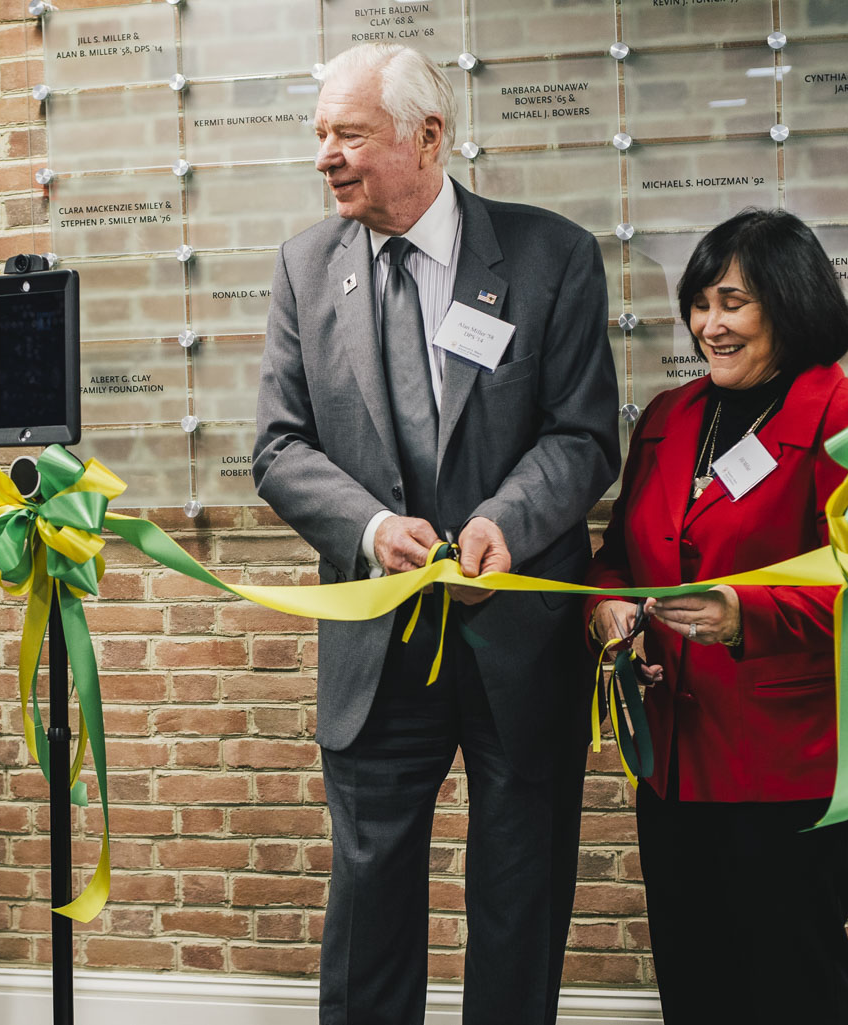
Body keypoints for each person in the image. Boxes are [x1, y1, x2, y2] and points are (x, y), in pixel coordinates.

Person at [252, 42, 619, 1025]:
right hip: (378, 644)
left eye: (350, 135)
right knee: (367, 906)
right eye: (320, 133)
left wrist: (503, 518)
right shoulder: (301, 267)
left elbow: (583, 438)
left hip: (519, 640)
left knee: (517, 897)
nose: (325, 155)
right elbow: (278, 449)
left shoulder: (552, 258)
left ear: (428, 138)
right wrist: (370, 528)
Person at [584, 208, 848, 1024]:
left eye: (732, 302)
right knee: (694, 976)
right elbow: (619, 556)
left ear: (791, 301)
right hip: (675, 755)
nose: (709, 325)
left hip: (794, 757)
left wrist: (741, 613)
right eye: (699, 303)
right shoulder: (668, 417)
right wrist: (610, 609)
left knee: (789, 978)